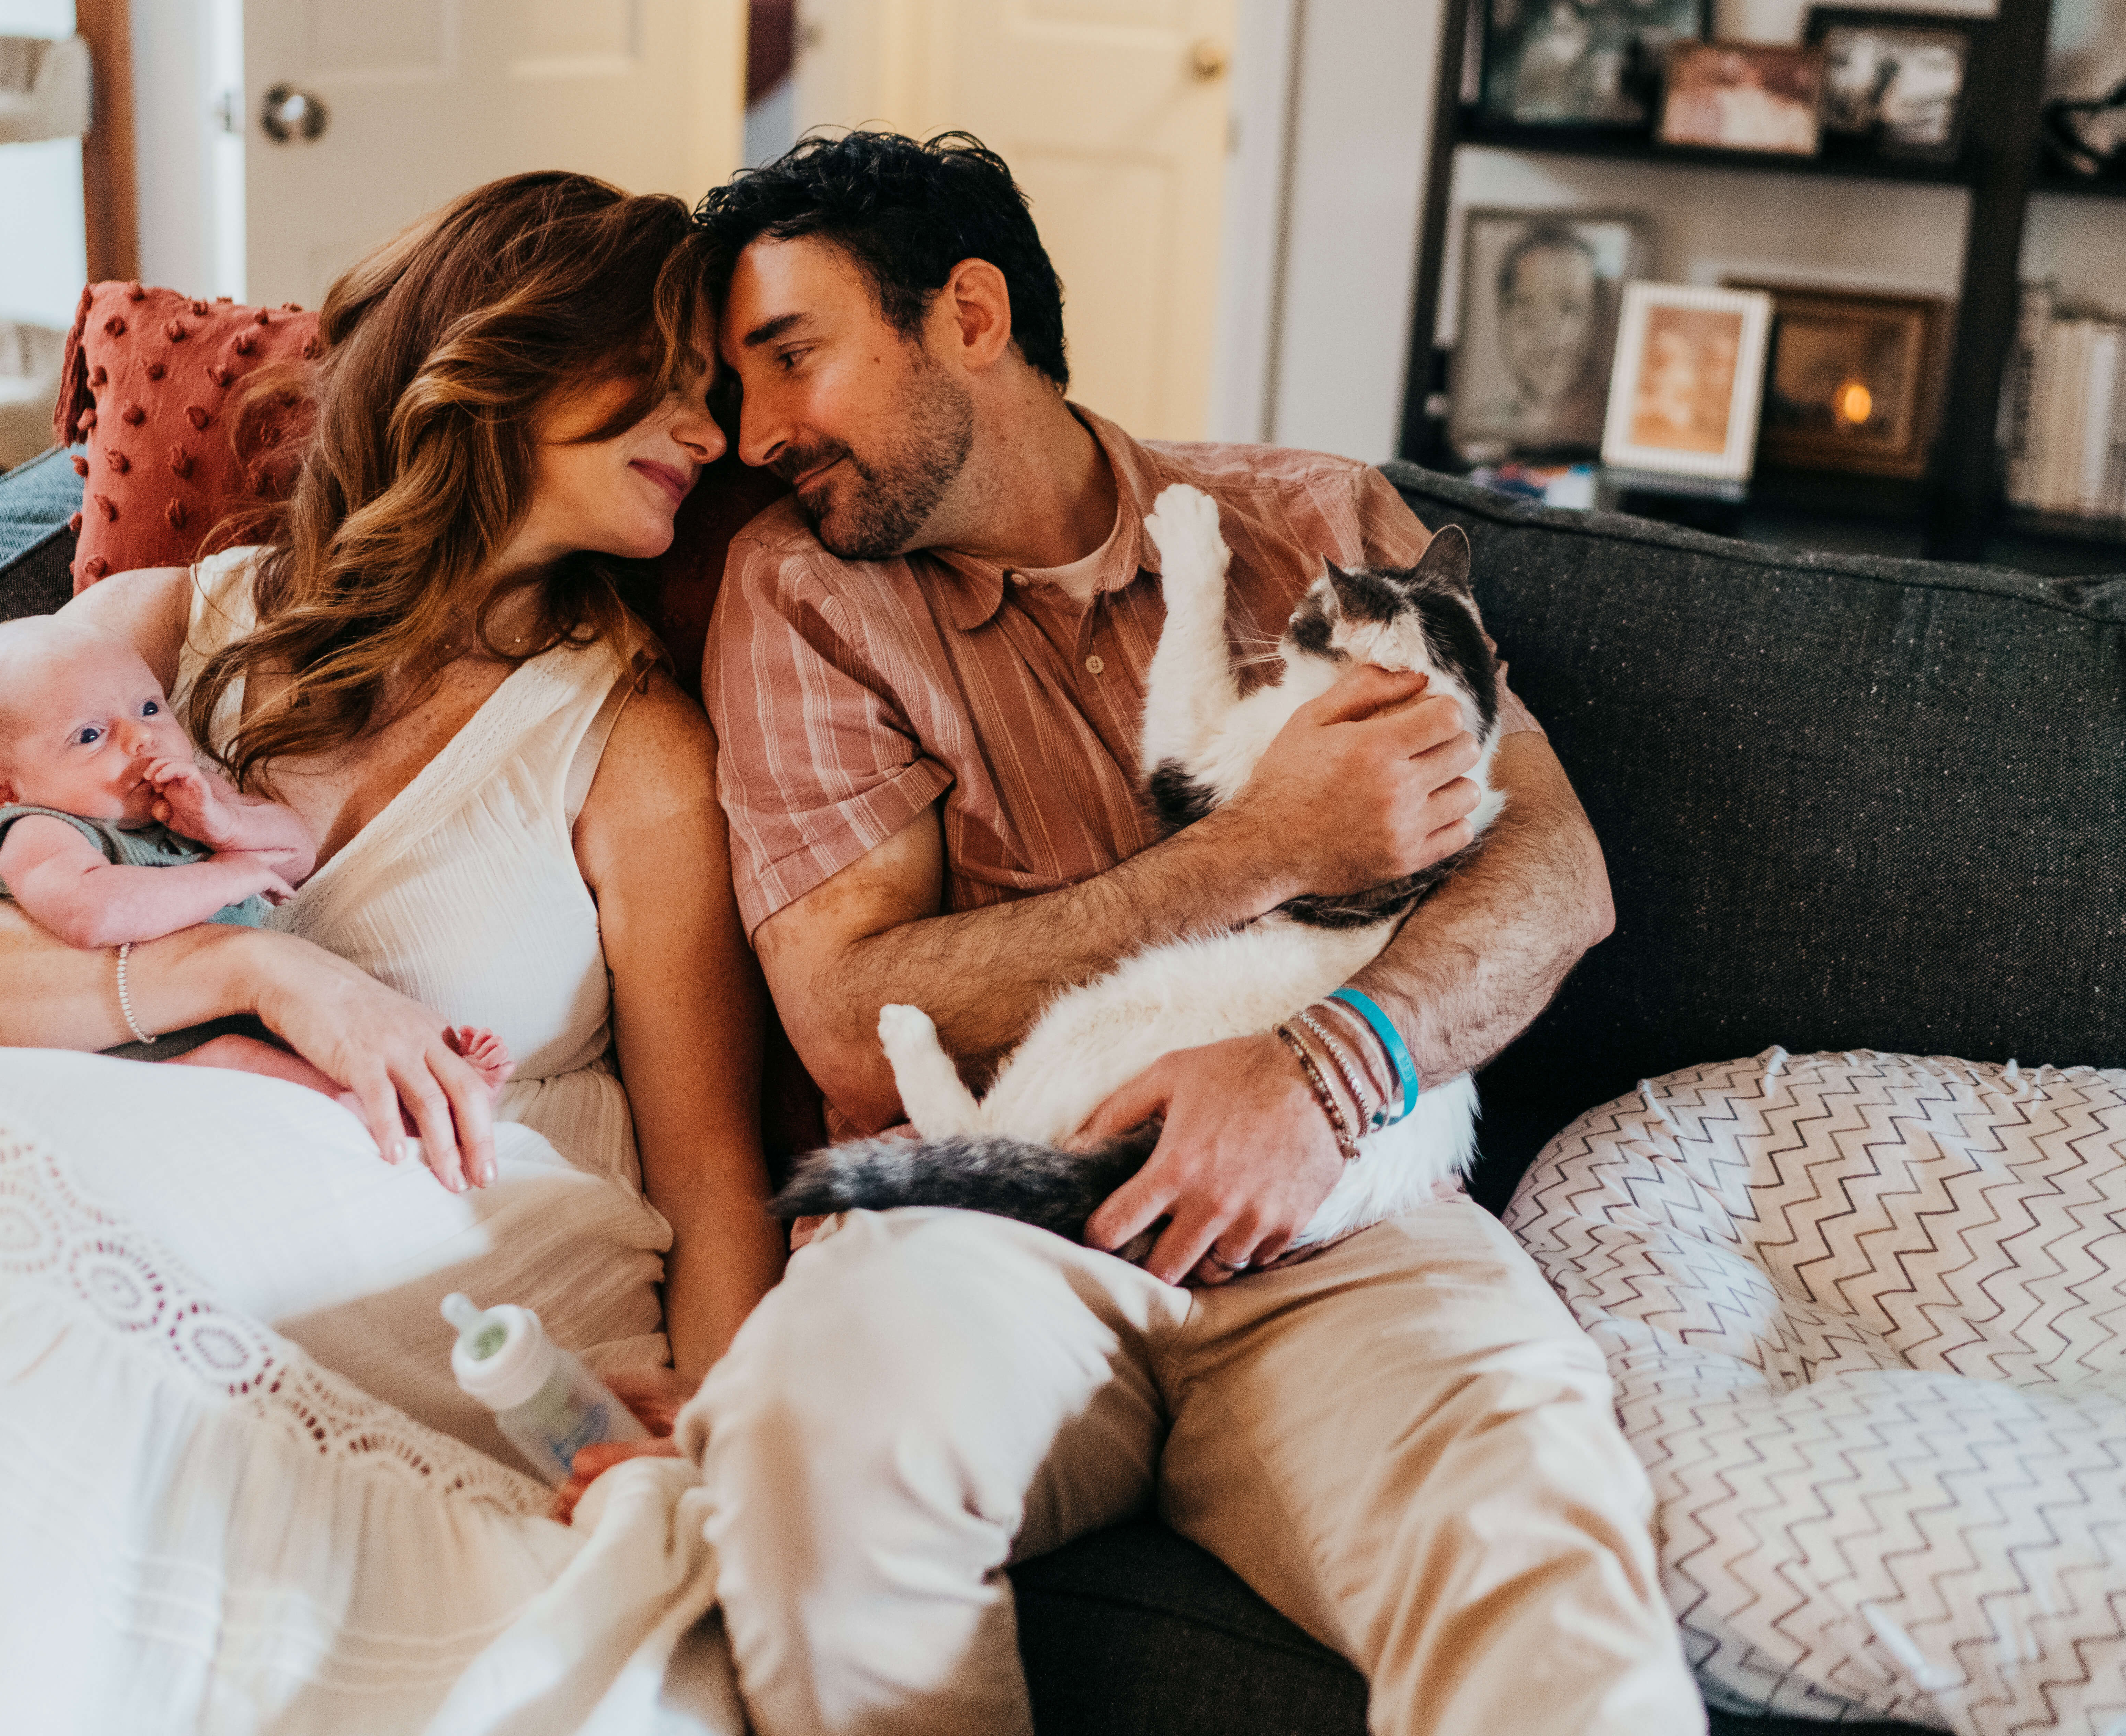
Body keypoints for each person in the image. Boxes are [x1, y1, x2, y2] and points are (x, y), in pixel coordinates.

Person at [0, 173, 781, 1736]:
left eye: (713, 396)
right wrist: (257, 971)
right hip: (177, 1213)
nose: (708, 431)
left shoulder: (629, 743)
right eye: (668, 379)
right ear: (512, 356)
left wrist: (719, 1435)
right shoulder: (164, 633)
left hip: (472, 1247)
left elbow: (707, 1162)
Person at [667, 130, 1704, 1735]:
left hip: (1346, 1219)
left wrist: (1332, 1067)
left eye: (793, 359)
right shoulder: (803, 596)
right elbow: (851, 1022)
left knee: (1541, 1562)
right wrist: (1265, 845)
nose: (756, 437)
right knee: (812, 1437)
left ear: (972, 315)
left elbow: (1555, 871)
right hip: (992, 1229)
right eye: (740, 390)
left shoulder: (1312, 519)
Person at [0, 611, 517, 1102]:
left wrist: (225, 824)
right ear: (2, 789)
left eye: (149, 707)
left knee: (297, 1041)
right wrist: (224, 874)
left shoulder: (189, 797)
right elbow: (94, 913)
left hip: (231, 1022)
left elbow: (294, 856)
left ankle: (429, 1075)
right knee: (235, 1058)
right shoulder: (41, 831)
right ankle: (387, 1105)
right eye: (90, 735)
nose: (140, 738)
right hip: (125, 1058)